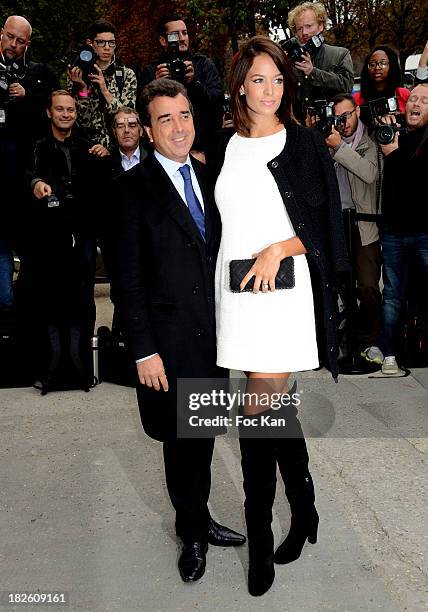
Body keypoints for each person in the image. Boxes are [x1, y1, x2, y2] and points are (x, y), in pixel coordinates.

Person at [209, 36, 348, 596]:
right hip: (237, 294)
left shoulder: (305, 143)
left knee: (256, 412)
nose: (269, 90)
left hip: (282, 292)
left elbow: (323, 224)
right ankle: (306, 508)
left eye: (279, 80)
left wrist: (278, 249)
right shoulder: (222, 146)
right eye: (259, 79)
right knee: (268, 411)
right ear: (240, 83)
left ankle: (261, 539)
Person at [111, 78, 245, 583]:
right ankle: (190, 530)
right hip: (166, 345)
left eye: (184, 115)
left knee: (204, 434)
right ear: (147, 130)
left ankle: (201, 515)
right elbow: (127, 280)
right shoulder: (130, 188)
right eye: (165, 119)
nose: (178, 127)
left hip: (213, 338)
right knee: (178, 440)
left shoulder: (210, 179)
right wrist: (143, 350)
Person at [22, 90, 110, 390]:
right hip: (48, 235)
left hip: (82, 232)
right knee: (48, 297)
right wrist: (36, 183)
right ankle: (50, 367)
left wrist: (103, 156)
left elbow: (102, 187)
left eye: (70, 109)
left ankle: (81, 365)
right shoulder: (37, 145)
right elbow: (27, 174)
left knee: (84, 297)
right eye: (59, 109)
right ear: (49, 112)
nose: (65, 114)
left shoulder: (87, 147)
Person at [0, 15, 58, 313]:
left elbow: (57, 103)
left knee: (30, 247)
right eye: (10, 37)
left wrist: (28, 95)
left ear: (28, 43)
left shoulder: (38, 72)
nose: (13, 44)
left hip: (24, 173)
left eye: (20, 41)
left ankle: (24, 314)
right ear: (1, 33)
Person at [324, 93, 382, 365]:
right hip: (337, 226)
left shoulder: (372, 141)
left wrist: (339, 148)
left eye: (346, 115)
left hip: (364, 225)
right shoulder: (327, 142)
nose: (343, 122)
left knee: (368, 286)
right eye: (338, 117)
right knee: (337, 287)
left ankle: (370, 341)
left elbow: (370, 173)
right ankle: (342, 340)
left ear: (357, 111)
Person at [377, 83, 428, 374]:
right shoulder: (394, 136)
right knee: (393, 294)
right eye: (412, 99)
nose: (415, 104)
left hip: (424, 231)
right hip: (394, 231)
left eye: (423, 100)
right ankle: (389, 354)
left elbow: (419, 186)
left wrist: (394, 155)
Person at [137, 12, 224, 159]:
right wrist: (155, 85)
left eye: (185, 33)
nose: (182, 38)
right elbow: (141, 114)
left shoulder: (203, 64)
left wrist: (195, 83)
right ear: (163, 40)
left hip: (206, 150)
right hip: (166, 152)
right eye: (175, 35)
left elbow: (218, 102)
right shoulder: (151, 71)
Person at [68, 19, 137, 150]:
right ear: (90, 43)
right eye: (101, 42)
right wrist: (83, 89)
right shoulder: (79, 73)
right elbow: (80, 121)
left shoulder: (126, 74)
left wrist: (105, 90)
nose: (107, 47)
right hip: (88, 148)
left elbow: (129, 117)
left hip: (119, 150)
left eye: (111, 43)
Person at [286, 2, 353, 123]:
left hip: (333, 126)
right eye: (299, 29)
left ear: (321, 26)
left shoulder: (340, 54)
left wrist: (313, 73)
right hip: (300, 128)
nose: (304, 32)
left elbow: (347, 85)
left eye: (309, 26)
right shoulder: (289, 62)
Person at [354, 45, 410, 126]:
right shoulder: (358, 98)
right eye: (372, 64)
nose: (377, 68)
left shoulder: (403, 94)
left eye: (383, 63)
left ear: (392, 66)